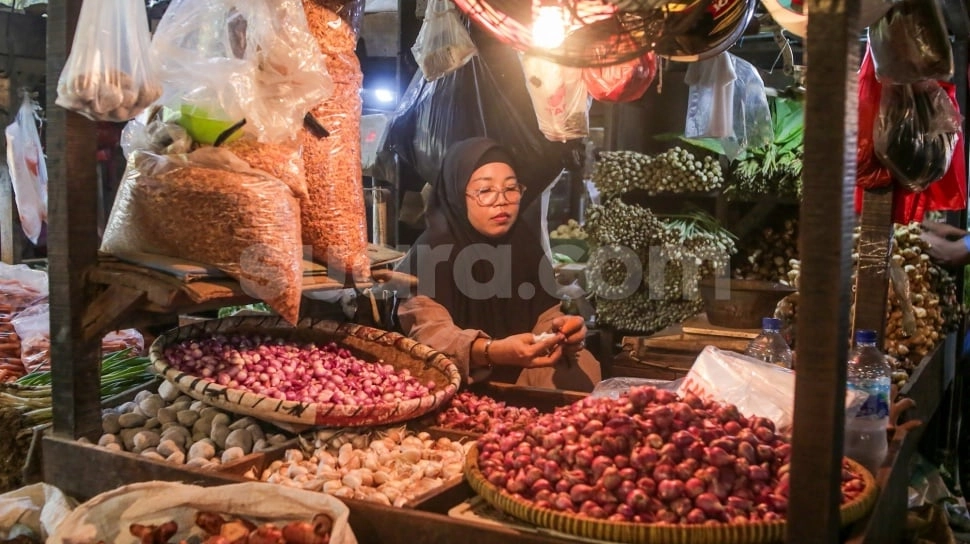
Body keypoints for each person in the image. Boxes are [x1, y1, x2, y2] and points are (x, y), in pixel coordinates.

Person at [395, 137, 602, 391]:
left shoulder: (523, 242)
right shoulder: (432, 250)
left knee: (581, 371)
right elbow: (429, 333)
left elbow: (544, 317)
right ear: (457, 195)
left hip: (523, 370)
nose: (501, 200)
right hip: (454, 380)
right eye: (485, 191)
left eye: (511, 188)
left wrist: (561, 332)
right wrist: (490, 351)